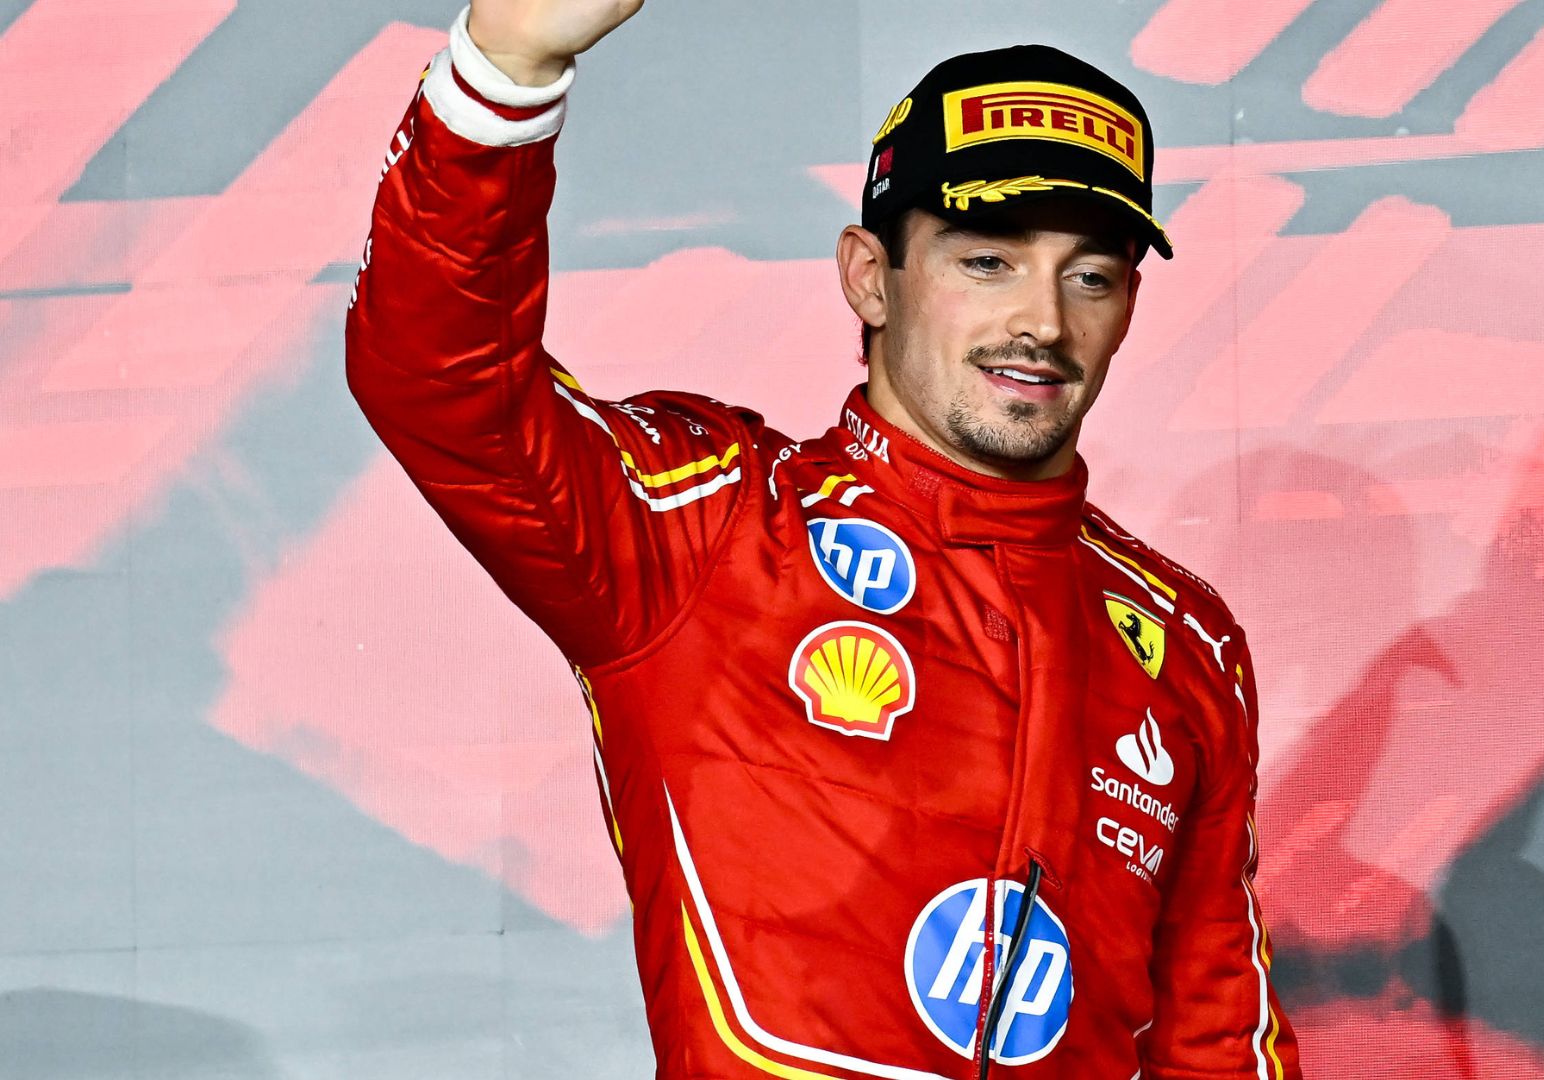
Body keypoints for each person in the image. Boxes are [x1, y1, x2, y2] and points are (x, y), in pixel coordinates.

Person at [344, 0, 1303, 1075]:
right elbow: (440, 384)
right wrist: (502, 74)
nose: (1044, 321)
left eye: (1092, 275)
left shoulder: (1187, 643)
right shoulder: (710, 527)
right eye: (987, 260)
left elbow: (1216, 1036)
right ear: (868, 276)